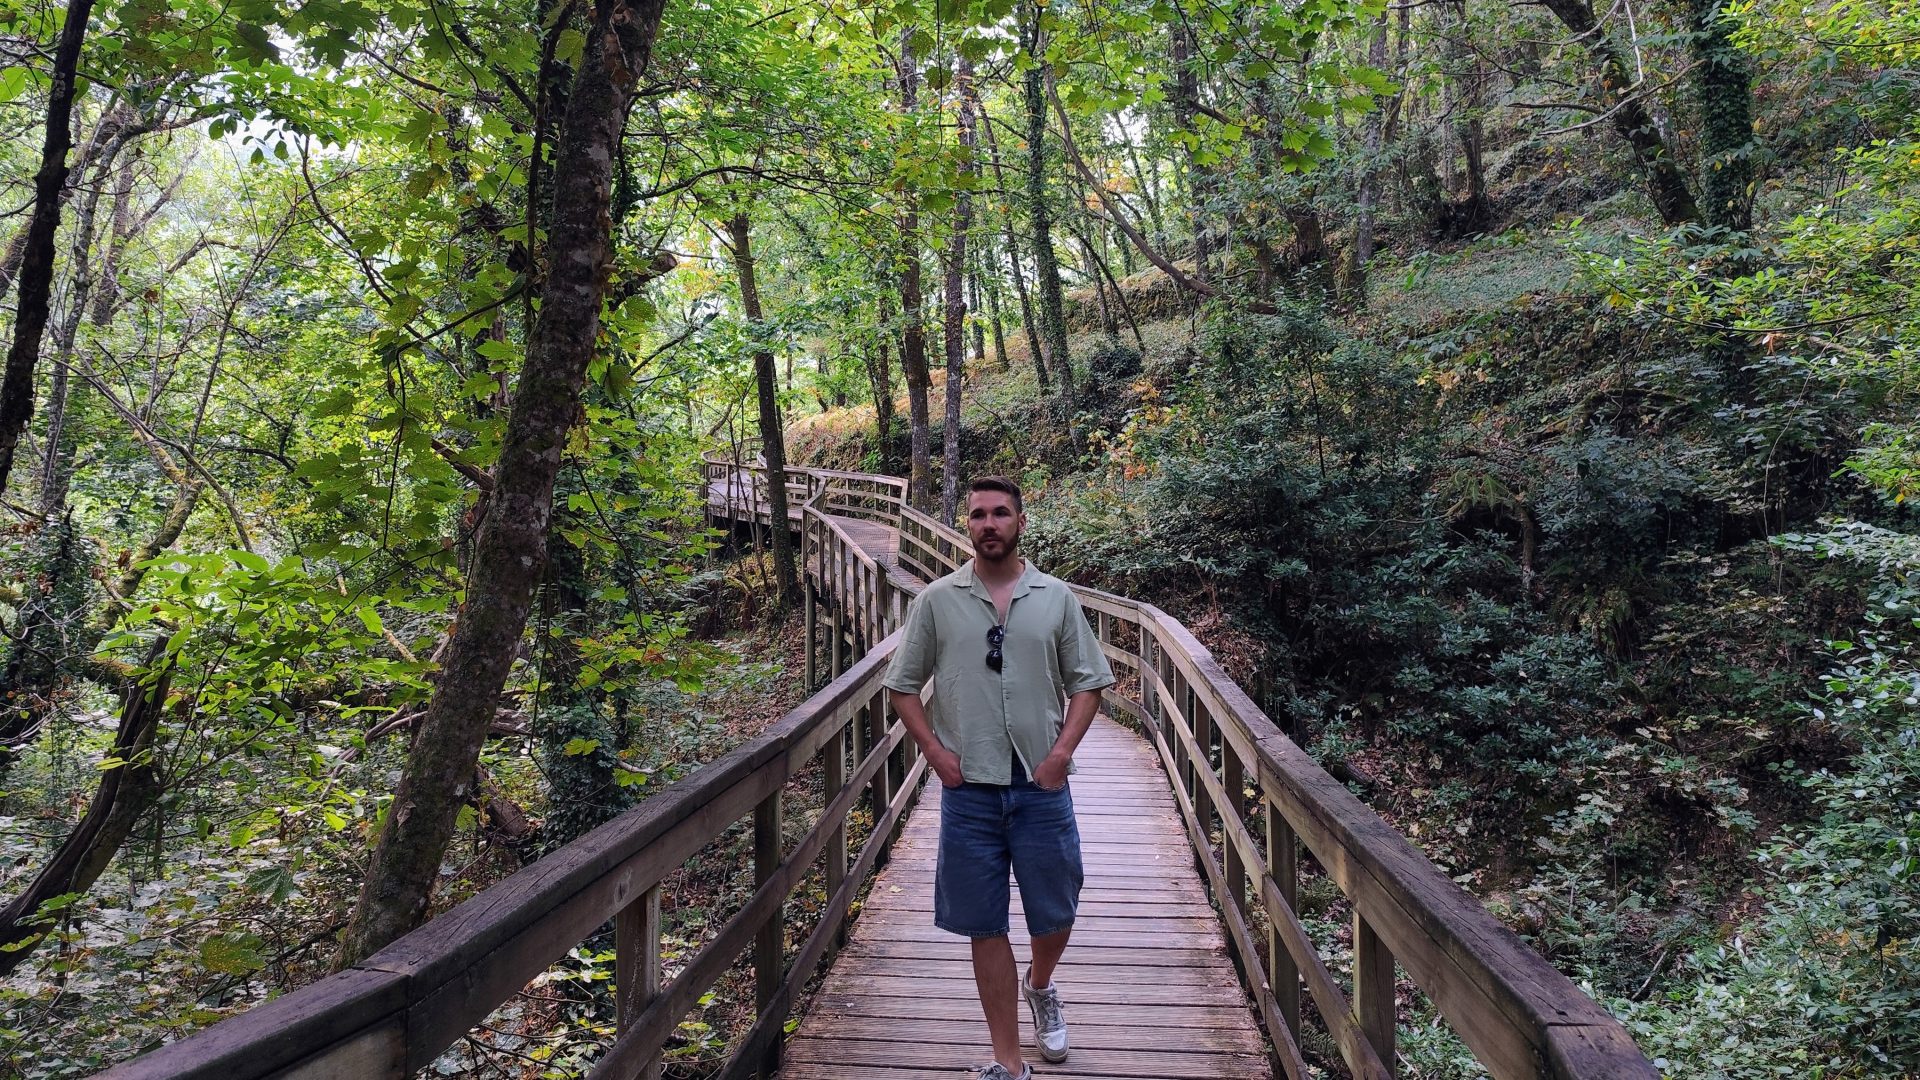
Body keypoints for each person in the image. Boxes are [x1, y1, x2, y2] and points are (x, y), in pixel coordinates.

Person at [883, 475, 1116, 1080]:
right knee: (984, 923)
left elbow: (1089, 682)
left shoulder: (1055, 597)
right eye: (979, 514)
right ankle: (1009, 1063)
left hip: (1041, 784)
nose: (989, 524)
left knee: (1058, 910)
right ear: (967, 524)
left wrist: (1061, 755)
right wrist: (935, 753)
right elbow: (902, 686)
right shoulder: (937, 600)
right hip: (969, 790)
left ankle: (1040, 984)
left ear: (1020, 522)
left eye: (1001, 513)